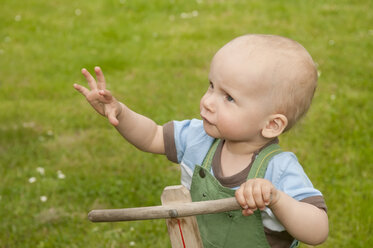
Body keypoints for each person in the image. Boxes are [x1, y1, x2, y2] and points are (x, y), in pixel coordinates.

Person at [73, 34, 328, 248]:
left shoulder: (279, 169)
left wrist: (276, 199)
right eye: (211, 86)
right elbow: (152, 136)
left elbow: (317, 230)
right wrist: (121, 112)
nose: (207, 101)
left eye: (228, 97)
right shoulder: (198, 138)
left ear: (272, 125)